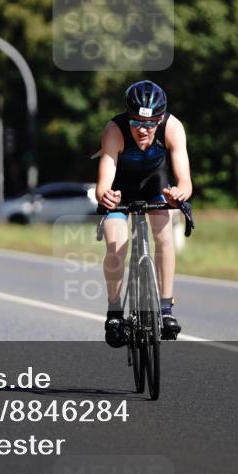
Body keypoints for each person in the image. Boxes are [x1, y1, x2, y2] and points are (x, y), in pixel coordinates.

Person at [95, 80, 193, 347]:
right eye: (137, 122)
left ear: (160, 119)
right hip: (120, 190)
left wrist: (180, 193)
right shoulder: (114, 130)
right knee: (115, 245)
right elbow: (103, 181)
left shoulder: (173, 128)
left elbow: (185, 181)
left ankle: (165, 308)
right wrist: (105, 194)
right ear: (128, 116)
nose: (143, 129)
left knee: (163, 236)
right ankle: (115, 312)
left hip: (155, 186)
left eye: (150, 124)